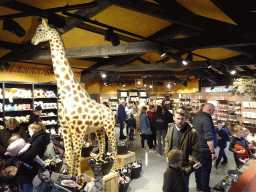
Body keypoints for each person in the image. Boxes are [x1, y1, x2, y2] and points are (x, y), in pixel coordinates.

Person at [164, 108, 200, 191]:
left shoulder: (192, 132)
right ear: (173, 117)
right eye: (178, 118)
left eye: (182, 119)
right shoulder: (170, 128)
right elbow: (167, 141)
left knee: (183, 185)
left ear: (185, 118)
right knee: (171, 183)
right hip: (171, 162)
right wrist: (167, 155)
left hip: (184, 164)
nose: (180, 121)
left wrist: (190, 163)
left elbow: (196, 150)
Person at [15, 122, 50, 192]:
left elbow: (30, 156)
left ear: (33, 130)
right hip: (32, 168)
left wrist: (18, 156)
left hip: (30, 170)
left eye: (29, 131)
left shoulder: (39, 139)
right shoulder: (37, 138)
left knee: (28, 187)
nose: (29, 133)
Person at [192, 103, 217, 192]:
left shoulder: (196, 116)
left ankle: (199, 186)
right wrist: (212, 151)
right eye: (213, 111)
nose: (213, 113)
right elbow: (208, 136)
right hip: (205, 149)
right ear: (209, 110)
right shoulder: (206, 118)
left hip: (196, 147)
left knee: (198, 168)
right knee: (205, 170)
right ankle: (205, 189)